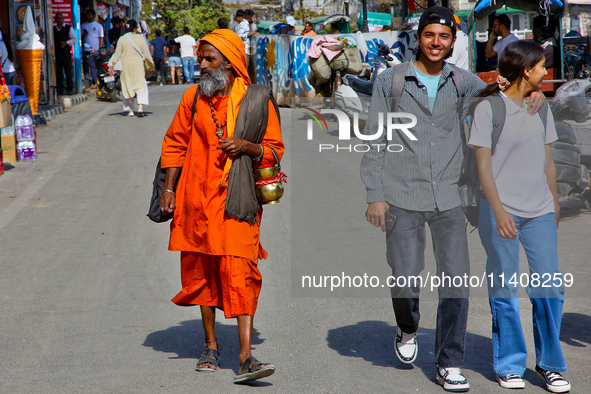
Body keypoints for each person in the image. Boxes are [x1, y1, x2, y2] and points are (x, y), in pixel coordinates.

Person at [361, 6, 543, 392]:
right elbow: (376, 140)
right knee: (405, 275)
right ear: (418, 38)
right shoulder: (390, 82)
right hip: (400, 193)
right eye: (429, 35)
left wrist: (534, 94)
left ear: (454, 41)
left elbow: (504, 96)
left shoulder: (465, 82)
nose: (436, 43)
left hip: (450, 195)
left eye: (444, 37)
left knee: (456, 280)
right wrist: (375, 195)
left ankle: (449, 362)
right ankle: (408, 328)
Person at [159, 28, 284, 383]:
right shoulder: (192, 98)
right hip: (196, 201)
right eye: (200, 57)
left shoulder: (258, 100)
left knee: (241, 270)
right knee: (203, 272)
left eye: (208, 58)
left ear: (229, 64)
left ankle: (246, 357)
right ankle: (211, 344)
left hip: (238, 201)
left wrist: (247, 146)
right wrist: (169, 188)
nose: (201, 64)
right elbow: (175, 144)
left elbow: (274, 148)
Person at [468, 40, 571, 393]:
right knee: (505, 287)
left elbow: (548, 161)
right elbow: (483, 166)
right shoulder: (489, 110)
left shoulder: (541, 108)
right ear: (527, 70)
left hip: (539, 210)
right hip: (500, 210)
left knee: (550, 288)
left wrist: (555, 203)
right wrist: (498, 211)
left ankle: (550, 365)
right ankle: (510, 364)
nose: (547, 72)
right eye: (542, 67)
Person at [108, 19, 153, 117]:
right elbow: (146, 53)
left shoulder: (122, 39)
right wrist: (151, 65)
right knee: (141, 86)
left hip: (126, 66)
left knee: (127, 86)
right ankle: (140, 107)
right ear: (134, 28)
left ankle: (130, 110)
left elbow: (117, 54)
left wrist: (112, 67)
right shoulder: (141, 38)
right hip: (138, 65)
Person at [53, 13, 76, 95]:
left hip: (66, 53)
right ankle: (60, 89)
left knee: (68, 71)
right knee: (58, 72)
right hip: (57, 53)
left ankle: (70, 88)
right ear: (56, 20)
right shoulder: (54, 29)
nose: (59, 20)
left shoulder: (68, 28)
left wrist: (66, 43)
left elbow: (74, 39)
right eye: (58, 18)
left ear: (63, 19)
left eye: (61, 18)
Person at [81, 9, 104, 88]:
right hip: (87, 50)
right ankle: (96, 83)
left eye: (90, 14)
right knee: (92, 66)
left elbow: (101, 38)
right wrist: (84, 35)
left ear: (94, 16)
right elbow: (81, 37)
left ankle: (95, 82)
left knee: (96, 67)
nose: (88, 16)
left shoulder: (98, 26)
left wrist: (99, 48)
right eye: (87, 14)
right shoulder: (84, 25)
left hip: (96, 49)